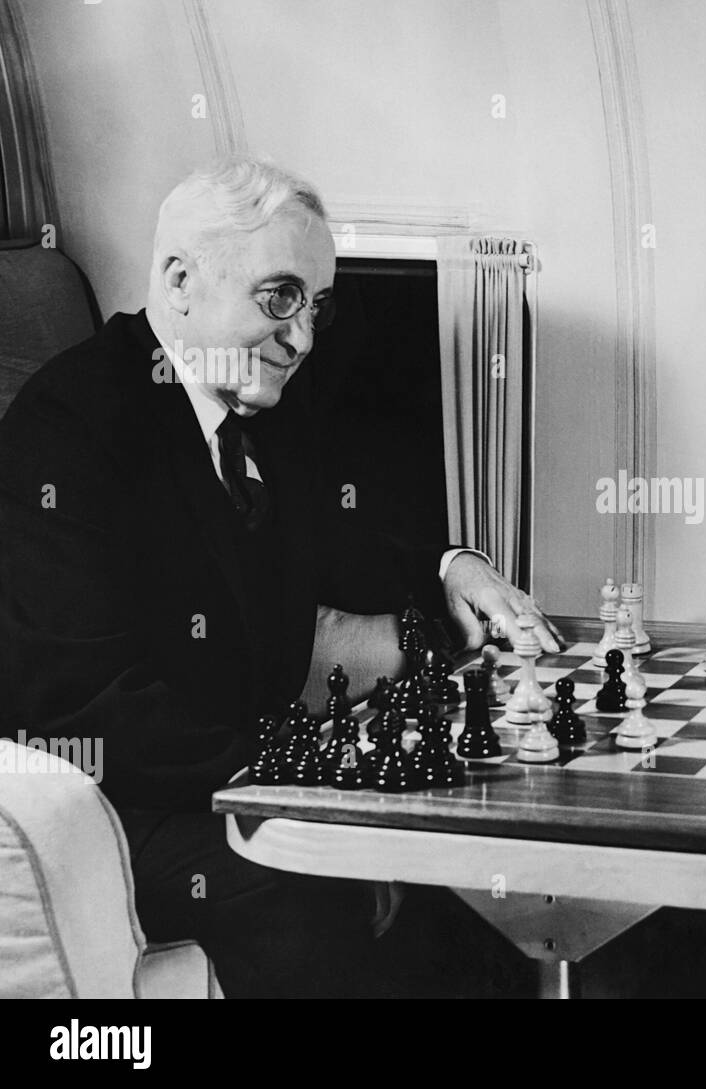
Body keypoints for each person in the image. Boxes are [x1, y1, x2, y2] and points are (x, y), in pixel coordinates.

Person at [0, 156, 559, 997]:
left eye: (315, 306)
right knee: (335, 909)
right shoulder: (68, 427)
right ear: (181, 280)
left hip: (230, 779)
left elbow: (349, 545)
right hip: (122, 814)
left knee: (480, 920)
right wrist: (309, 785)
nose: (301, 337)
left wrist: (455, 567)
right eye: (279, 297)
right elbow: (85, 706)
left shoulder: (253, 407)